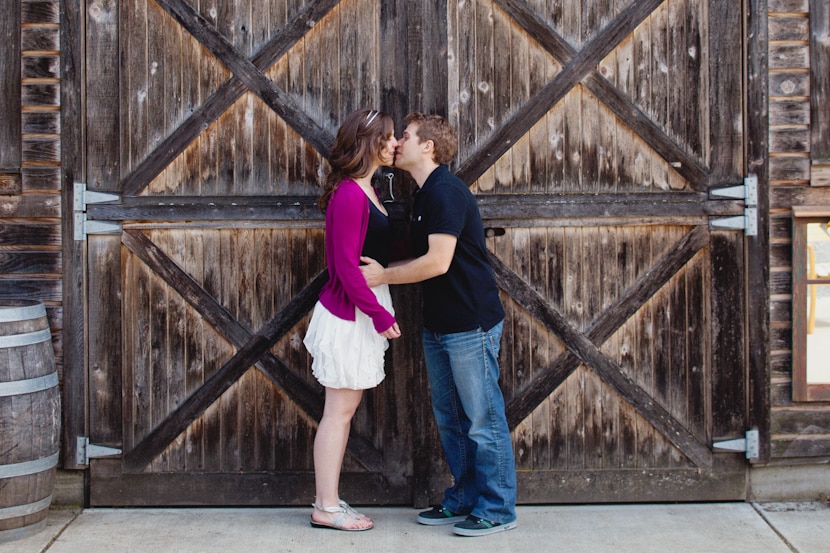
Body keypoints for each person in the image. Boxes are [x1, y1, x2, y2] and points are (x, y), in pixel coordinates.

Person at [360, 113, 517, 537]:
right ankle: (465, 499)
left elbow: (437, 262)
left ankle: (498, 509)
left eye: (405, 137)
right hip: (440, 325)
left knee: (482, 419)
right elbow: (410, 250)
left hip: (469, 323)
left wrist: (382, 277)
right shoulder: (424, 196)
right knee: (451, 418)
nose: (397, 143)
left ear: (427, 147)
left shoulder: (446, 192)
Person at [303, 108, 401, 532]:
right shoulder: (348, 194)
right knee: (338, 412)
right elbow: (344, 268)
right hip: (349, 315)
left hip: (361, 311)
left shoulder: (370, 188)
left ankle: (329, 500)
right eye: (390, 137)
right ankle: (326, 506)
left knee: (344, 409)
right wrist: (378, 314)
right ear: (369, 143)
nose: (396, 143)